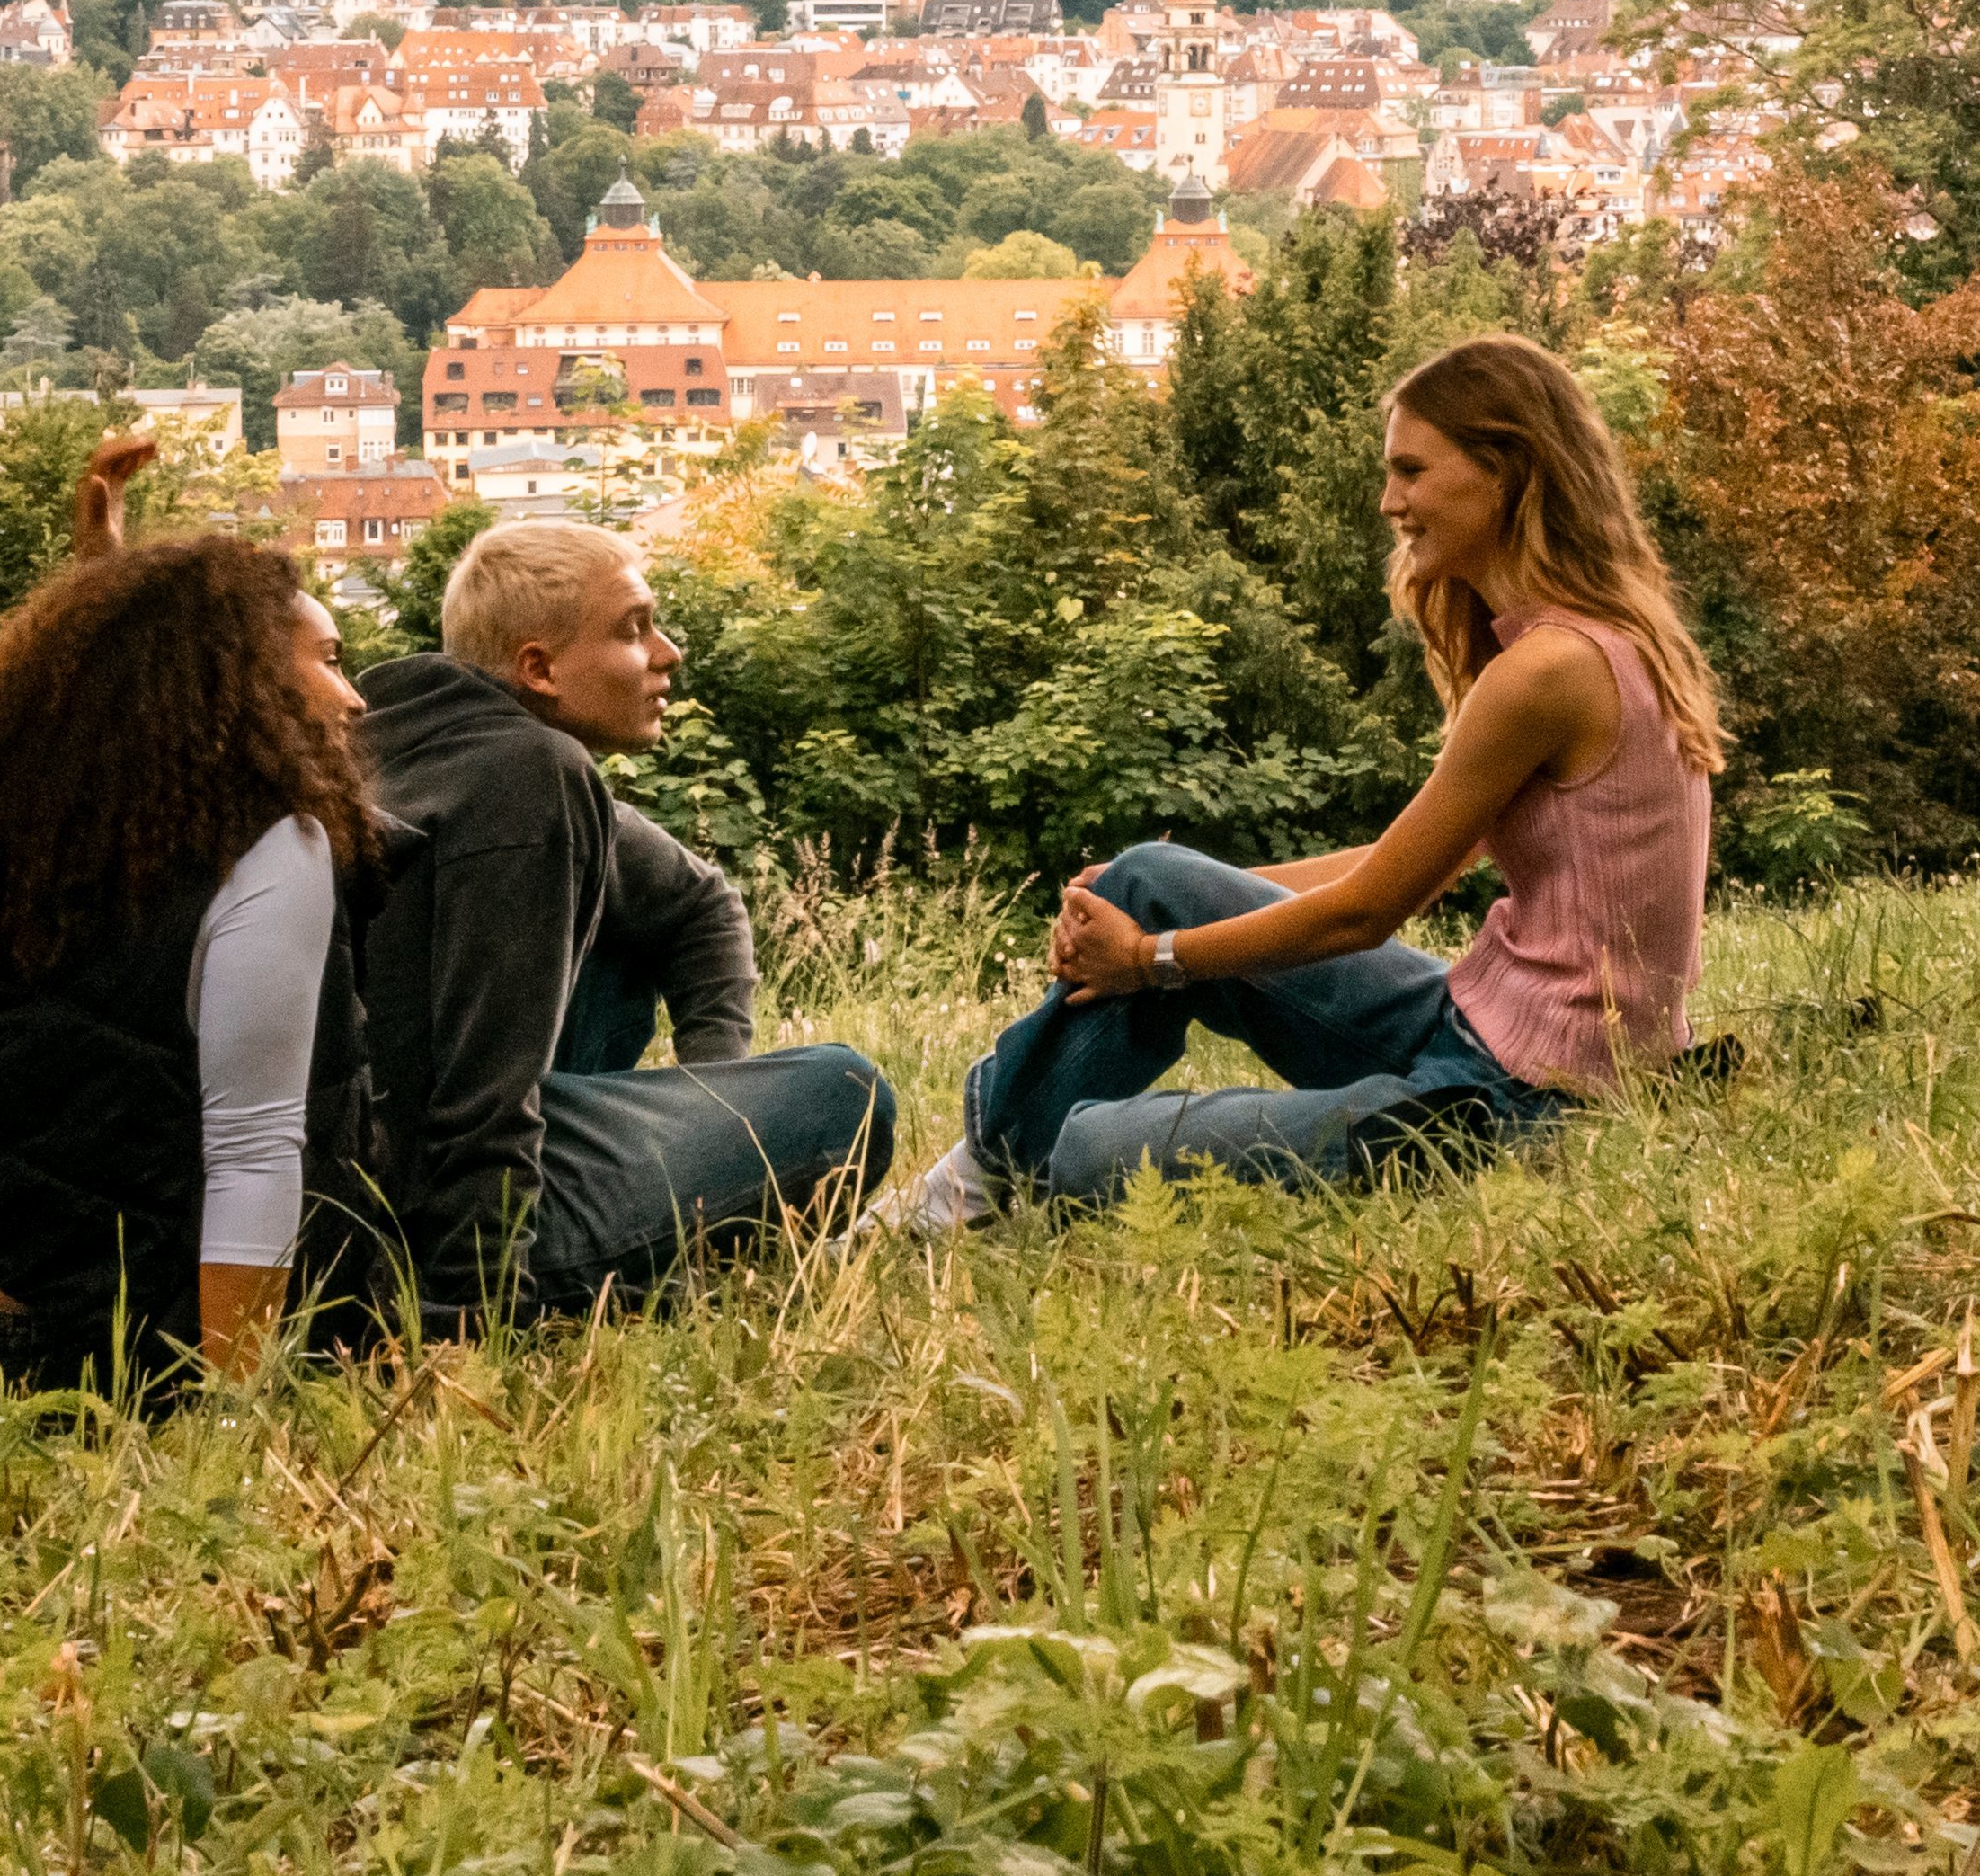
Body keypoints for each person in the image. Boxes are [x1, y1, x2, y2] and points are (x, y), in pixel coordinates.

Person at [899, 330, 1725, 1216]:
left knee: (1094, 1154)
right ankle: (978, 1180)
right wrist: (1162, 910)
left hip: (1519, 1105)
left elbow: (1367, 912)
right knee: (1145, 877)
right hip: (1472, 1030)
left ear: (1505, 470)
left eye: (1410, 471)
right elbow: (1411, 864)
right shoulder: (1592, 642)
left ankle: (995, 1174)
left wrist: (1152, 957)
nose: (1387, 500)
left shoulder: (1546, 670)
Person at [0, 489, 379, 1397]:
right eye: (324, 661)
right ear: (240, 683)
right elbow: (253, 1151)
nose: (352, 696)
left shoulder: (45, 808)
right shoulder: (275, 844)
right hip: (30, 1331)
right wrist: (236, 1412)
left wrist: (106, 583)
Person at [329, 515, 899, 1320]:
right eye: (634, 630)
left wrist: (714, 1087)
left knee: (635, 938)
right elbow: (478, 1090)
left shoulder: (407, 746)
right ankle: (594, 1257)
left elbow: (700, 907)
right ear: (541, 667)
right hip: (433, 1218)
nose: (668, 653)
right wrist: (480, 1310)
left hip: (369, 1187)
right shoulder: (532, 776)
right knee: (846, 1092)